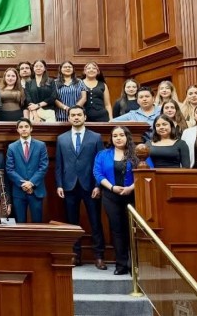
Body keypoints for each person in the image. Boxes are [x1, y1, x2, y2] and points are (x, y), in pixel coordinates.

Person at [55, 106, 106, 270]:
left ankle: (99, 256)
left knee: (95, 222)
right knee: (72, 223)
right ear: (68, 118)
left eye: (79, 115)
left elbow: (101, 163)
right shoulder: (61, 138)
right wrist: (59, 184)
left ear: (84, 117)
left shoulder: (96, 137)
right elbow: (58, 164)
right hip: (69, 186)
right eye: (73, 115)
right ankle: (75, 256)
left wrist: (99, 185)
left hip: (90, 186)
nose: (76, 117)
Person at [94, 126, 138, 275]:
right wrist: (112, 187)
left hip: (132, 196)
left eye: (121, 135)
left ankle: (134, 265)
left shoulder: (138, 153)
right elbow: (98, 173)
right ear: (111, 139)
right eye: (115, 136)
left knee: (132, 230)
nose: (118, 138)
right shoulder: (103, 154)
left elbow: (146, 173)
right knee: (117, 231)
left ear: (127, 137)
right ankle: (121, 265)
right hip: (110, 196)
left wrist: (131, 188)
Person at [4, 118, 48, 223]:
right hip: (19, 192)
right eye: (21, 127)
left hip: (36, 190)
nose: (24, 129)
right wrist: (24, 184)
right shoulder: (12, 147)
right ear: (17, 130)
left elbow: (43, 166)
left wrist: (31, 183)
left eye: (26, 127)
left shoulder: (41, 145)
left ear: (31, 129)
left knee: (37, 223)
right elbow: (10, 169)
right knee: (20, 222)